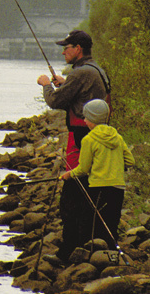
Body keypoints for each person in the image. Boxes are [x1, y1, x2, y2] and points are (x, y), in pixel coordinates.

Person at [37, 30, 111, 263]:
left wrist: (47, 84)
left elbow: (56, 101)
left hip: (80, 137)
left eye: (66, 47)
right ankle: (87, 243)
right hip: (95, 134)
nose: (63, 51)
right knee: (88, 191)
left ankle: (69, 249)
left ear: (78, 48)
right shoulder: (96, 69)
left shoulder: (80, 73)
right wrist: (65, 82)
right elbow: (83, 93)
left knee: (71, 193)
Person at [60, 99, 135, 252]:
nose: (85, 120)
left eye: (86, 117)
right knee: (111, 223)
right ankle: (111, 254)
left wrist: (68, 175)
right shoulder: (117, 137)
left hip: (98, 188)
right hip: (118, 187)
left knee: (90, 223)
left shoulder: (89, 139)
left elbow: (83, 169)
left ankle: (90, 255)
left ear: (92, 119)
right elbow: (130, 161)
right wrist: (114, 164)